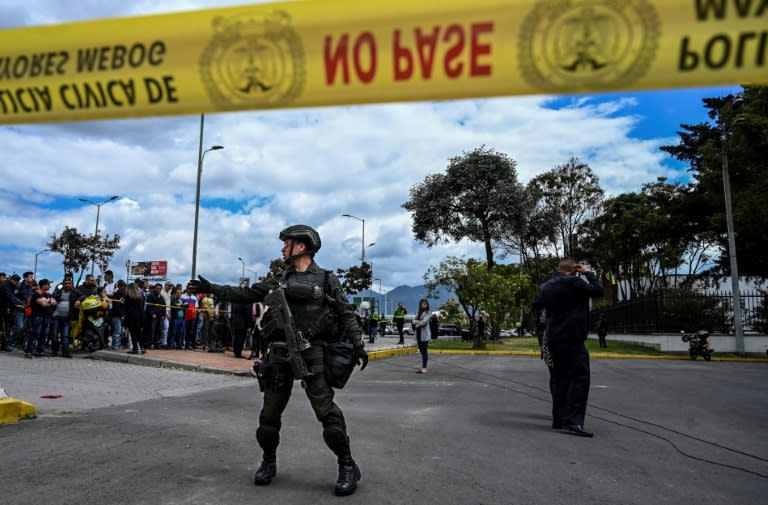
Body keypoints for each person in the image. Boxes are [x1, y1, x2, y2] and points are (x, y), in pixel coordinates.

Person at [189, 224, 368, 496]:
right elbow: (246, 294)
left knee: (327, 414)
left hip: (313, 353)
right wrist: (211, 288)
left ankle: (347, 465)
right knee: (269, 417)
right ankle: (268, 462)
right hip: (279, 353)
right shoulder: (279, 279)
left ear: (302, 246)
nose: (283, 248)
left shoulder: (327, 280)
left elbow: (345, 313)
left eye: (287, 243)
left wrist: (358, 345)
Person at [534, 258, 603, 438]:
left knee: (560, 378)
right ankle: (573, 421)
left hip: (553, 336)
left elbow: (537, 305)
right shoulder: (574, 281)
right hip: (572, 336)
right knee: (580, 377)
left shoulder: (545, 286)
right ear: (573, 270)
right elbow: (598, 290)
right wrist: (588, 272)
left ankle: (559, 418)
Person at [413, 299, 432, 373]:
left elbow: (424, 322)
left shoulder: (428, 312)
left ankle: (424, 368)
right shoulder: (418, 311)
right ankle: (423, 366)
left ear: (427, 305)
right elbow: (413, 321)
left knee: (424, 351)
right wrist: (419, 321)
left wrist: (417, 322)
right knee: (421, 350)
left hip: (424, 334)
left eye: (425, 304)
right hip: (418, 333)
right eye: (422, 304)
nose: (423, 305)